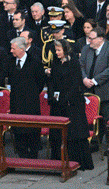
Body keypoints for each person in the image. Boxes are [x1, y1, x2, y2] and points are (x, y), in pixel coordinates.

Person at [47, 39, 93, 170]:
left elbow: (75, 83)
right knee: (57, 132)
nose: (56, 53)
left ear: (65, 50)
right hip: (58, 103)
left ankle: (75, 160)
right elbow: (52, 81)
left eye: (59, 50)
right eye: (55, 50)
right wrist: (52, 95)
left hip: (72, 103)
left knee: (73, 132)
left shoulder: (73, 63)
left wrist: (65, 98)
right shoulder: (55, 62)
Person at [7, 37, 47, 158]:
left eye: (13, 48)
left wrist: (31, 93)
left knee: (32, 130)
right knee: (18, 130)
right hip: (16, 103)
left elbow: (40, 81)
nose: (11, 51)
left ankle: (33, 156)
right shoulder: (10, 61)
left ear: (22, 48)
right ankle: (21, 155)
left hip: (31, 103)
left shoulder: (35, 62)